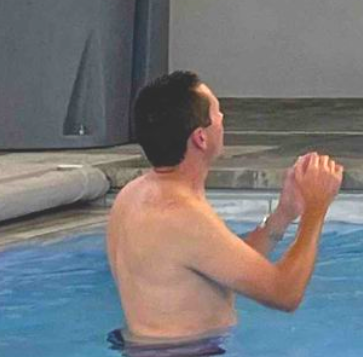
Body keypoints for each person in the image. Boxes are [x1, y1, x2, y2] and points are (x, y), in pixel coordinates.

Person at [106, 71, 343, 342]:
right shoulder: (180, 215)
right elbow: (286, 293)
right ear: (201, 138)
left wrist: (284, 214)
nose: (223, 119)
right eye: (217, 112)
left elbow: (225, 264)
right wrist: (317, 208)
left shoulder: (137, 194)